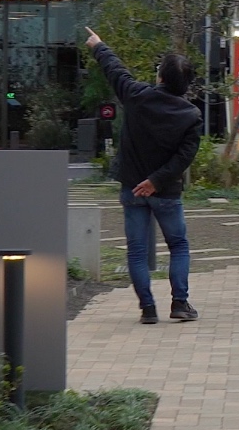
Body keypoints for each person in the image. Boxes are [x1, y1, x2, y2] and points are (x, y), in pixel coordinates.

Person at [84, 27, 204, 325]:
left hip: (133, 188)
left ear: (160, 77)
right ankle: (180, 303)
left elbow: (115, 70)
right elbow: (184, 158)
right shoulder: (191, 116)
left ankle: (148, 309)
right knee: (178, 246)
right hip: (166, 192)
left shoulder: (137, 96)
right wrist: (157, 181)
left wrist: (99, 45)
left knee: (137, 251)